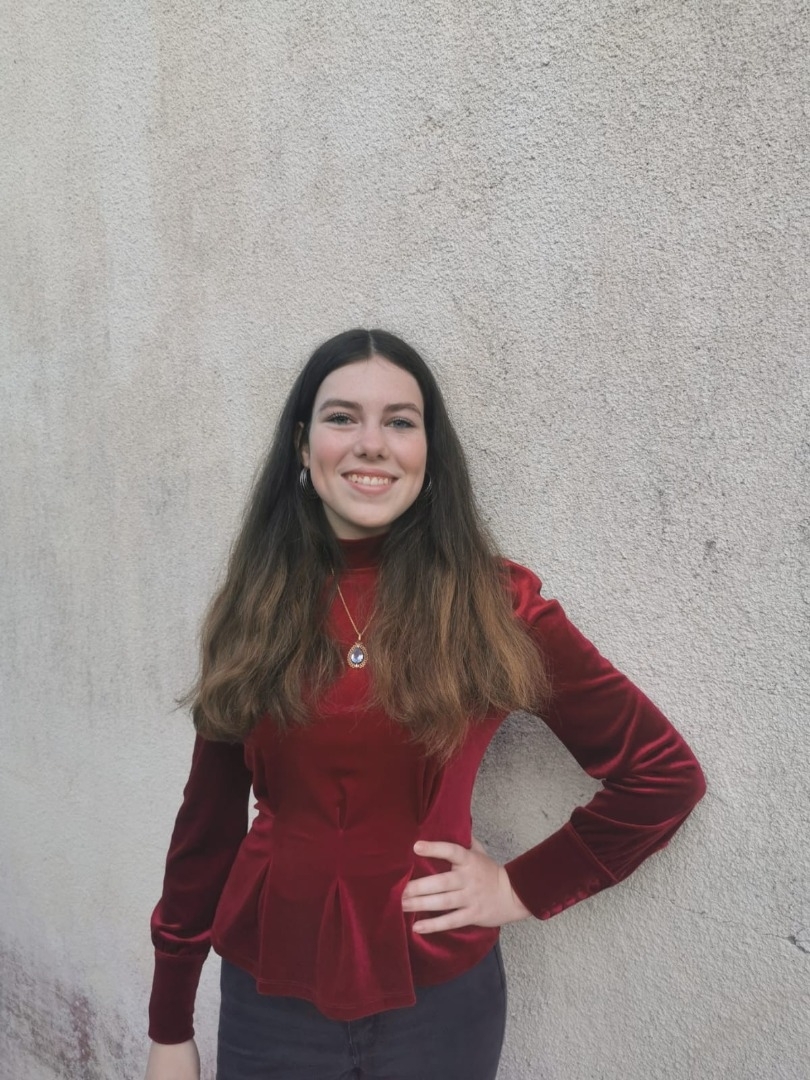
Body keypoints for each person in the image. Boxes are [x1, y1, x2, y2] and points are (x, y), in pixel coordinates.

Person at [144, 328, 706, 1080]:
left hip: (440, 1009)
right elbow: (205, 830)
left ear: (430, 454)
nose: (371, 443)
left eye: (400, 422)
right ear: (303, 446)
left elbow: (663, 775)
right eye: (342, 418)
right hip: (268, 999)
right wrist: (169, 1025)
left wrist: (518, 887)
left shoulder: (493, 605)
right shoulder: (255, 606)